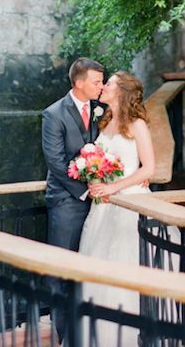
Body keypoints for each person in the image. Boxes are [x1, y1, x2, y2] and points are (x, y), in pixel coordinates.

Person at [78, 71, 155, 347]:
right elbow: (99, 162)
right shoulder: (106, 122)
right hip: (103, 208)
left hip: (130, 203)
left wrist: (115, 186)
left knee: (128, 269)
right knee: (99, 270)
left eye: (108, 83)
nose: (103, 86)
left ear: (121, 91)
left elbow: (149, 168)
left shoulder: (137, 124)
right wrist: (96, 180)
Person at [41, 57, 105, 340]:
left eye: (102, 82)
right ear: (79, 83)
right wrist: (84, 190)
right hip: (67, 202)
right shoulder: (53, 114)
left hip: (98, 204)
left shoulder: (102, 111)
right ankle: (65, 336)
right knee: (62, 270)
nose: (101, 87)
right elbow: (55, 161)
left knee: (90, 267)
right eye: (96, 82)